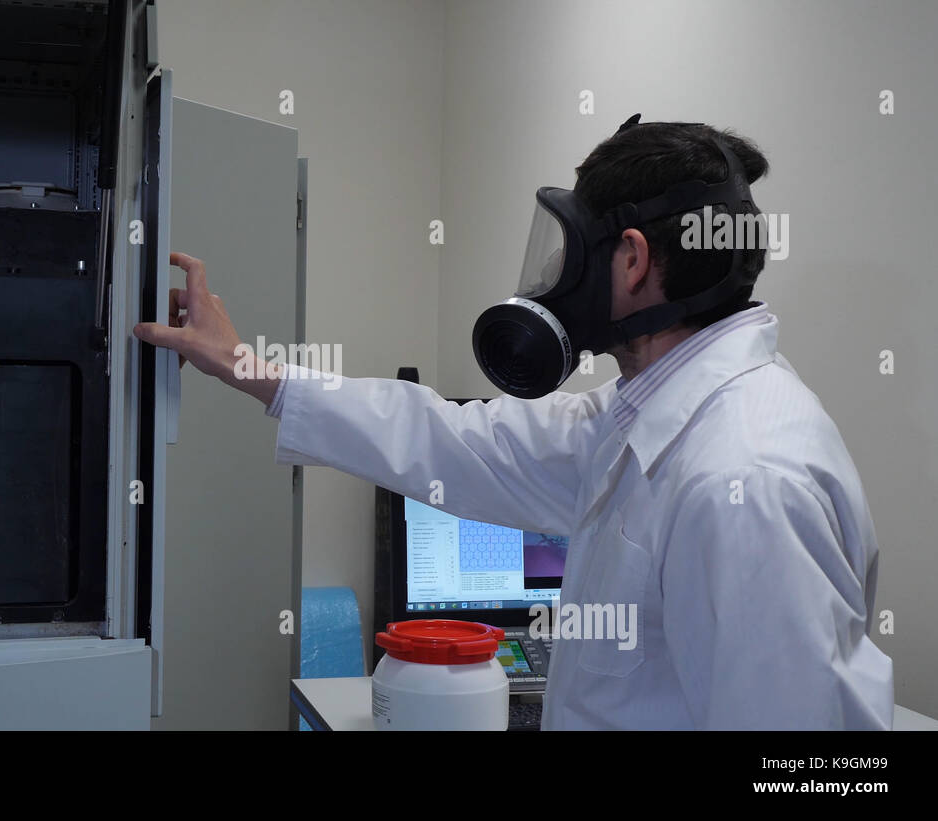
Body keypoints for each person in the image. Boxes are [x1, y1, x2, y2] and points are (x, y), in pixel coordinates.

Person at [134, 117, 894, 730]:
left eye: (573, 251)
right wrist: (243, 365)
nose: (555, 281)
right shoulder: (641, 419)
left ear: (630, 261)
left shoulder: (743, 478)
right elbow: (450, 437)